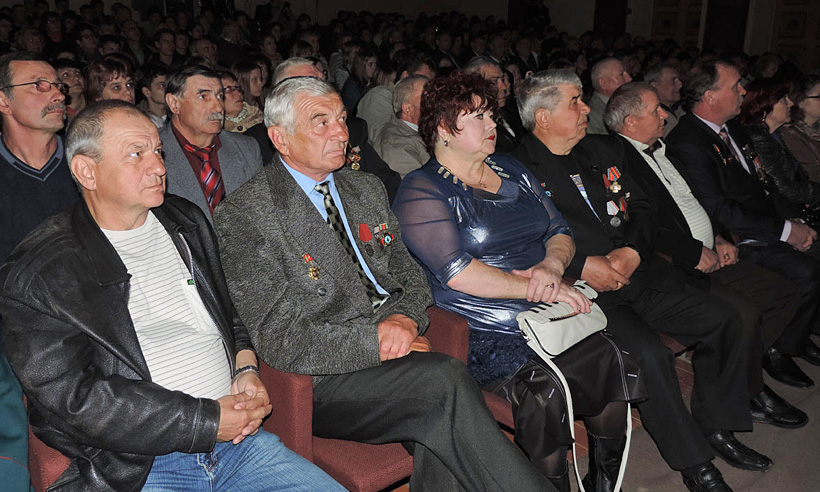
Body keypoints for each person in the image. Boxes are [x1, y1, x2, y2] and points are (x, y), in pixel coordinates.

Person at [213, 75, 557, 492]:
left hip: (403, 349)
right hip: (325, 375)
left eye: (342, 119)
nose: (342, 133)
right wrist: (379, 342)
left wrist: (405, 321)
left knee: (438, 416)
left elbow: (411, 276)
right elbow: (281, 338)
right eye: (322, 123)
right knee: (444, 382)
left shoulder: (364, 188)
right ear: (279, 138)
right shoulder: (247, 214)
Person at [0, 99, 345, 492]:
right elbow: (75, 399)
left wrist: (245, 368)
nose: (159, 167)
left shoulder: (185, 221)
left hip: (239, 447)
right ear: (86, 171)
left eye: (158, 151)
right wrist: (206, 421)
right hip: (141, 466)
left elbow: (229, 313)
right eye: (136, 154)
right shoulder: (40, 273)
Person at [512, 69, 768, 492]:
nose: (586, 109)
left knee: (729, 318)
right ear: (543, 117)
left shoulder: (602, 148)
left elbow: (645, 208)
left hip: (640, 273)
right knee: (650, 357)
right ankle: (695, 464)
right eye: (575, 102)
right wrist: (582, 266)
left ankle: (717, 425)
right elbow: (518, 240)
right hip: (585, 293)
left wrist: (631, 250)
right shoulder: (515, 168)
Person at [392, 72, 645, 492]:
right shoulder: (421, 189)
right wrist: (538, 287)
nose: (492, 124)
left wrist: (551, 268)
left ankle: (604, 483)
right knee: (545, 392)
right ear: (444, 129)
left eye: (491, 115)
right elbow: (458, 271)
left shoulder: (509, 167)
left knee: (612, 358)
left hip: (547, 309)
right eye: (478, 116)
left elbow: (559, 230)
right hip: (483, 329)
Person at [605, 81, 807, 427]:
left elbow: (699, 201)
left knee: (784, 293)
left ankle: (745, 377)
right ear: (630, 122)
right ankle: (740, 395)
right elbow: (640, 225)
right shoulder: (618, 161)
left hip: (712, 250)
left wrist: (720, 237)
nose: (665, 114)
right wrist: (694, 250)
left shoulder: (664, 149)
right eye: (655, 110)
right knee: (741, 314)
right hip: (679, 264)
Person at [666, 59, 820, 388]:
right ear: (709, 96)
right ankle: (771, 350)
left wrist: (791, 222)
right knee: (806, 273)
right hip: (735, 237)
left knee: (813, 260)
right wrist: (786, 231)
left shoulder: (733, 128)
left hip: (762, 224)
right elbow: (720, 209)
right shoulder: (688, 142)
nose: (744, 90)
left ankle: (786, 341)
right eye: (735, 85)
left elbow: (764, 186)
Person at [0, 50, 79, 492]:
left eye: (58, 86)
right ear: (3, 101)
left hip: (94, 319)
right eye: (39, 85)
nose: (57, 95)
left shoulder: (90, 165)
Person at [160, 64, 262, 219]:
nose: (218, 107)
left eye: (220, 96)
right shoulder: (151, 153)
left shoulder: (246, 148)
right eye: (204, 96)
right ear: (174, 104)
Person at [739, 78, 820, 222]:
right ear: (764, 107)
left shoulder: (774, 135)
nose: (790, 103)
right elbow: (784, 188)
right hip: (782, 218)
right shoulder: (758, 140)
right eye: (783, 100)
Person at [373, 74, 430, 177]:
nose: (436, 103)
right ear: (408, 109)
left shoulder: (426, 132)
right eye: (427, 98)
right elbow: (414, 184)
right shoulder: (397, 145)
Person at [463, 57, 521, 152]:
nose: (503, 86)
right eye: (494, 82)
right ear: (474, 86)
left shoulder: (509, 111)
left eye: (502, 80)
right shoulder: (472, 128)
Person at [779, 74, 820, 181]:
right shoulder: (791, 135)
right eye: (818, 97)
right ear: (800, 102)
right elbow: (811, 176)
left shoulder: (816, 129)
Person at [586, 57, 632, 134]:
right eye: (621, 74)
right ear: (603, 83)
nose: (629, 78)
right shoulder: (592, 117)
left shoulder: (628, 103)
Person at [644, 61, 685, 136]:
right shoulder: (647, 117)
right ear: (654, 85)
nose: (680, 84)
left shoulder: (685, 109)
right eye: (673, 80)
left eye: (678, 79)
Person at [341, 47, 377, 112]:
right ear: (361, 65)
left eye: (375, 64)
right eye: (370, 64)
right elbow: (358, 109)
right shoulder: (352, 85)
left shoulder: (372, 81)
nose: (374, 67)